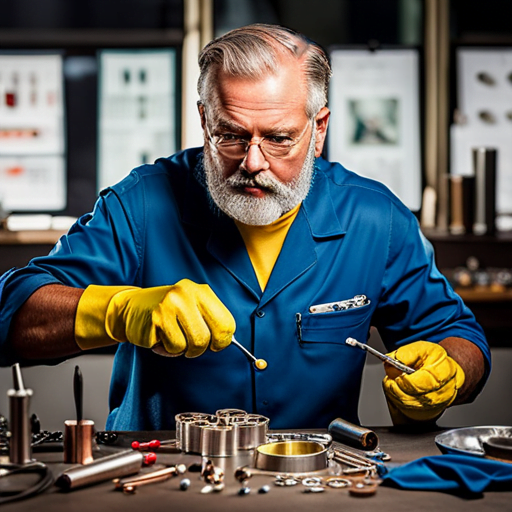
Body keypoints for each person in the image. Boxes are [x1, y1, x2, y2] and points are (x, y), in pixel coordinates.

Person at [0, 24, 489, 431]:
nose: (252, 162)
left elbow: (460, 336)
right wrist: (120, 310)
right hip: (155, 483)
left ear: (318, 130)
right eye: (230, 135)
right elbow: (12, 315)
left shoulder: (375, 219)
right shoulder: (143, 204)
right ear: (204, 119)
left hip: (319, 487)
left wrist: (449, 371)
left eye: (278, 138)